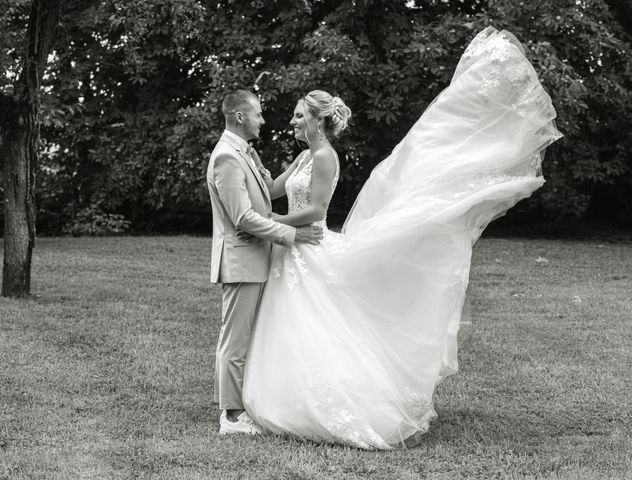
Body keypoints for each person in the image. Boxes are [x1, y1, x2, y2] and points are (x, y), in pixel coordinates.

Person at [240, 27, 562, 449]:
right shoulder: (303, 155)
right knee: (293, 327)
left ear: (318, 120)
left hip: (308, 245)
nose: (293, 120)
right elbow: (274, 188)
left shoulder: (324, 157)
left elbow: (317, 211)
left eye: (300, 115)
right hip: (292, 248)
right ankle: (281, 395)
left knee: (317, 328)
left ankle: (335, 402)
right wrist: (246, 165)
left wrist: (272, 219)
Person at [206, 90, 323, 435]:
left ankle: (244, 405)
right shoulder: (227, 156)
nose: (263, 119)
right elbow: (243, 217)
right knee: (236, 339)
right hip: (242, 258)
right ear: (240, 116)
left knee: (247, 337)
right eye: (258, 113)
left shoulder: (243, 154)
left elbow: (265, 195)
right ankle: (230, 416)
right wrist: (292, 235)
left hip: (256, 257)